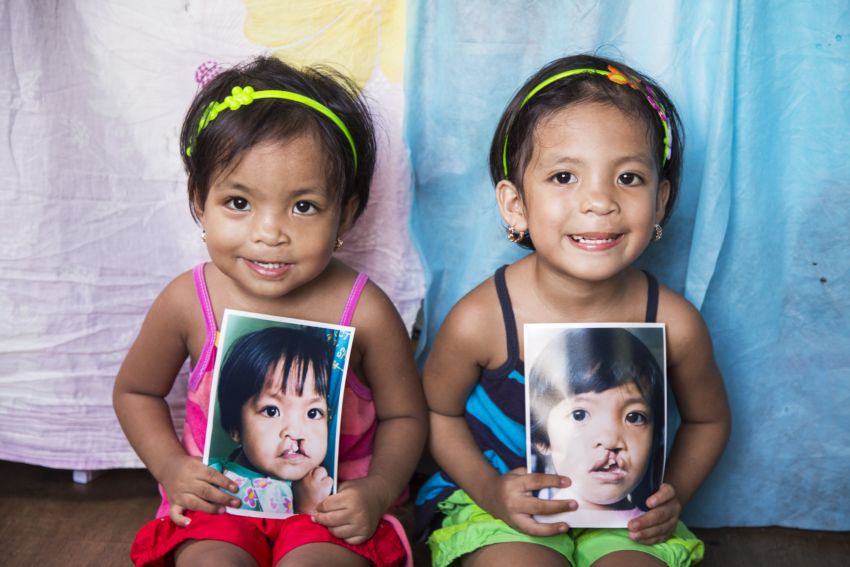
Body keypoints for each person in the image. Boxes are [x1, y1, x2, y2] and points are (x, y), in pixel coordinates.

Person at [416, 54, 731, 567]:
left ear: (661, 201)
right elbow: (436, 410)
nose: (599, 201)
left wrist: (671, 493)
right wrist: (491, 490)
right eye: (564, 177)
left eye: (628, 178)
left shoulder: (675, 323)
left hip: (627, 515)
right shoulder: (483, 319)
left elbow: (710, 420)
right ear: (515, 205)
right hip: (501, 511)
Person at [113, 55, 427, 567]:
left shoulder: (364, 310)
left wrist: (375, 490)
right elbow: (135, 391)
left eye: (303, 207)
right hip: (222, 502)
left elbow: (406, 414)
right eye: (239, 203)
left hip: (330, 510)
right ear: (199, 200)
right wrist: (172, 468)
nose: (269, 233)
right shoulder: (187, 301)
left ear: (344, 212)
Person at [528, 327, 666, 528]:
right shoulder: (524, 521)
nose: (611, 441)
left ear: (655, 438)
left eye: (634, 417)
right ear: (542, 439)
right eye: (579, 415)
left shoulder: (653, 528)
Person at [208, 326, 337, 518]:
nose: (295, 432)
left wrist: (308, 509)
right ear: (235, 426)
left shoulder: (321, 488)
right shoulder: (213, 481)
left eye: (312, 413)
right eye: (271, 411)